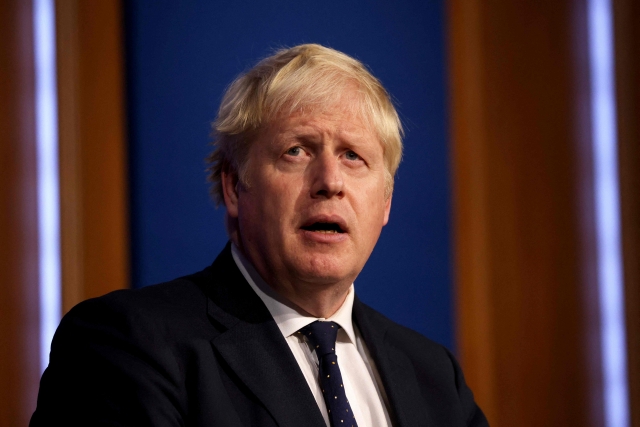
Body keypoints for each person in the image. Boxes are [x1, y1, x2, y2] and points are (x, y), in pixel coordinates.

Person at [31, 44, 488, 426]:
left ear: (385, 202)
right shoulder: (128, 346)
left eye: (353, 156)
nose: (330, 180)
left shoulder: (433, 377)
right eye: (296, 151)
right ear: (235, 186)